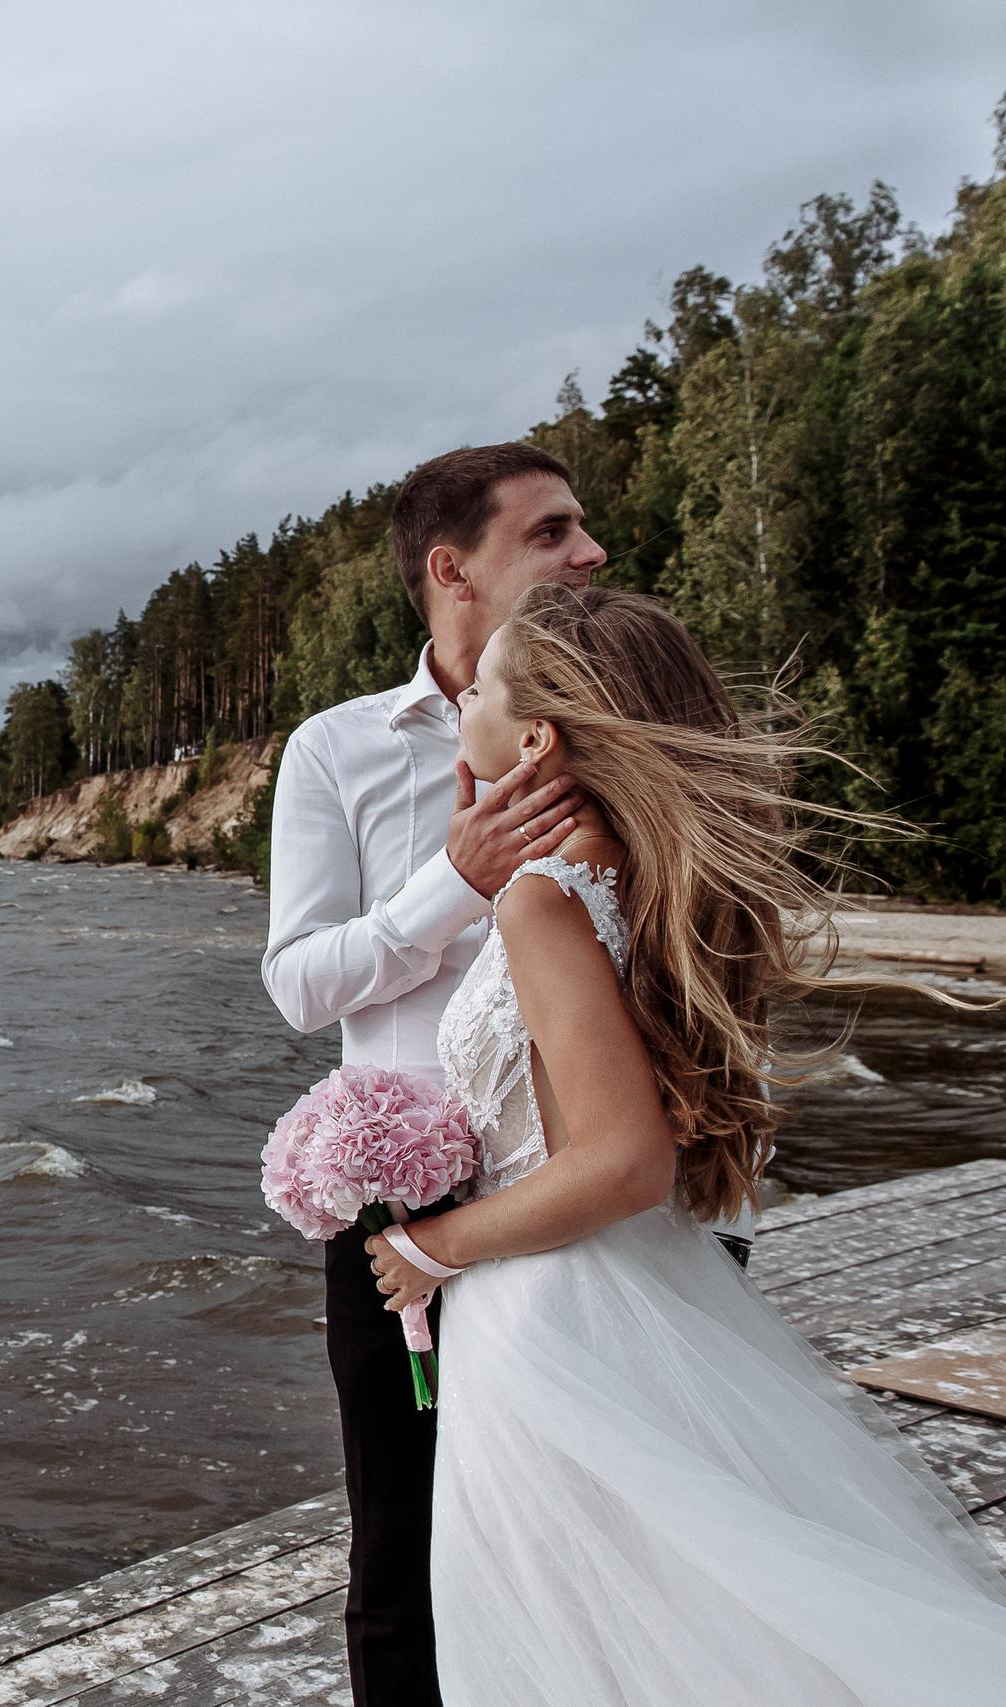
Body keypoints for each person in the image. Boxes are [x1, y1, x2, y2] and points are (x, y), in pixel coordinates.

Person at [365, 584, 1006, 1702]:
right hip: (645, 1287)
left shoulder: (543, 899)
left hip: (549, 1313)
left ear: (535, 738)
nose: (460, 699)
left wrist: (431, 1246)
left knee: (581, 1643)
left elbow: (622, 1161)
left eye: (481, 688)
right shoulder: (644, 875)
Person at [262, 441, 606, 1703]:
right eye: (551, 532)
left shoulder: (623, 725)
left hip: (605, 1196)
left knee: (595, 1536)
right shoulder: (335, 749)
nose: (591, 553)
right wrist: (451, 883)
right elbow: (299, 987)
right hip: (405, 1204)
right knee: (400, 1552)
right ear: (452, 570)